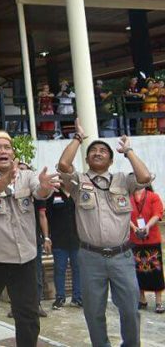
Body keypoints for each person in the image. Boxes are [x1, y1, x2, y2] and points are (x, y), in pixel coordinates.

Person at [57, 119, 152, 347]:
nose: (98, 153)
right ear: (87, 158)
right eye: (93, 151)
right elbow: (63, 165)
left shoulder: (122, 180)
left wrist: (128, 151)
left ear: (110, 159)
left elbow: (145, 178)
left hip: (122, 256)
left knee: (130, 309)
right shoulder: (79, 182)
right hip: (91, 258)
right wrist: (79, 138)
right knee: (94, 311)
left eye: (103, 151)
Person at [0, 130, 58, 347]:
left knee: (27, 314)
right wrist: (7, 177)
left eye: (7, 147)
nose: (3, 151)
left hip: (24, 258)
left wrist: (45, 188)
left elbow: (39, 191)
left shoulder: (27, 176)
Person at [40, 185, 82, 310]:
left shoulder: (77, 194)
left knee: (78, 269)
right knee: (59, 269)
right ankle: (60, 298)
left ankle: (77, 298)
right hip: (59, 240)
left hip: (77, 239)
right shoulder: (53, 195)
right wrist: (47, 237)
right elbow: (45, 216)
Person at [130, 185, 164, 313]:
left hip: (152, 239)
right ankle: (142, 298)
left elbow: (157, 213)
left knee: (156, 270)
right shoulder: (128, 197)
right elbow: (124, 214)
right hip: (134, 239)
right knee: (137, 270)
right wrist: (134, 227)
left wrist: (148, 226)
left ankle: (159, 301)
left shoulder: (153, 196)